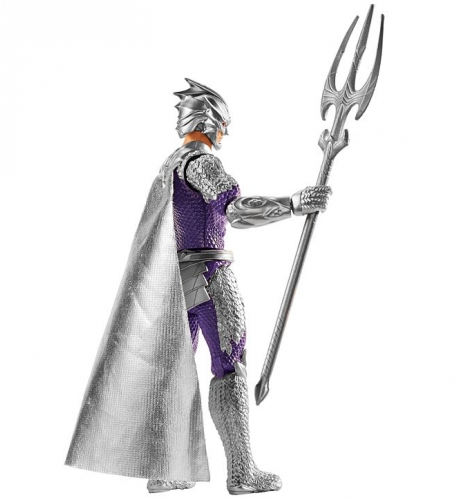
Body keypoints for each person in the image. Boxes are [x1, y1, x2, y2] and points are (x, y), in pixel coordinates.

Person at [65, 78, 331, 495]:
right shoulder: (203, 164)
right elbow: (236, 213)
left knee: (175, 366)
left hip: (173, 283)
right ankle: (241, 472)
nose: (225, 133)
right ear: (210, 122)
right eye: (224, 125)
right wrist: (294, 204)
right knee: (230, 365)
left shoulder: (171, 164)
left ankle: (169, 469)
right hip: (209, 275)